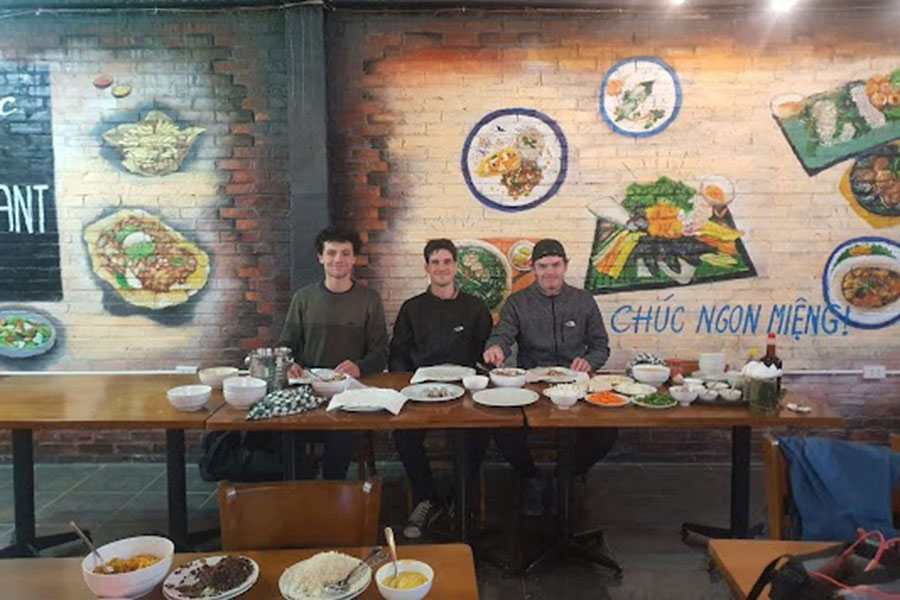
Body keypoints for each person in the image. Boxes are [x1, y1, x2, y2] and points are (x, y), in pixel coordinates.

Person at [481, 238, 617, 516]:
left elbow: (600, 346)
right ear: (533, 268)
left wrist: (589, 362)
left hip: (575, 387)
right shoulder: (517, 302)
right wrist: (495, 348)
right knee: (502, 427)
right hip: (533, 387)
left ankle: (566, 476)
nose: (550, 272)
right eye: (543, 266)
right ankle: (530, 477)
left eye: (555, 265)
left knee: (607, 432)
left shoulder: (583, 301)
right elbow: (502, 334)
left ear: (565, 266)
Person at [389, 239, 493, 538]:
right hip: (422, 390)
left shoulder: (475, 306)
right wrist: (405, 386)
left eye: (447, 261)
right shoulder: (412, 308)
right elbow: (398, 352)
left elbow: (487, 352)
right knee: (403, 435)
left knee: (481, 431)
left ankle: (462, 498)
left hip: (465, 390)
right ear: (427, 267)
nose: (442, 267)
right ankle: (427, 498)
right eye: (435, 262)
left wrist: (490, 365)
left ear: (456, 266)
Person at [278, 226, 388, 480]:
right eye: (331, 253)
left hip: (350, 390)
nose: (338, 259)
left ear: (354, 259)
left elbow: (381, 352)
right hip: (308, 388)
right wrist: (289, 364)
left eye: (345, 253)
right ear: (321, 257)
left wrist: (360, 366)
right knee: (285, 430)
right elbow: (286, 346)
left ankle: (332, 489)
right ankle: (299, 488)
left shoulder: (369, 299)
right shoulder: (303, 298)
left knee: (340, 432)